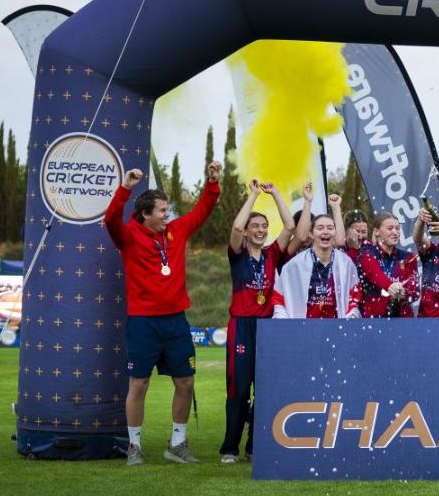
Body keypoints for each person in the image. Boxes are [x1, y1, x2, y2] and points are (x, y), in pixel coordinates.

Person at [103, 160, 222, 467]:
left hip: (176, 320)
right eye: (161, 210)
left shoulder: (176, 231)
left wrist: (212, 182)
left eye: (167, 210)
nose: (167, 215)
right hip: (143, 321)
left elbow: (201, 212)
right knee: (138, 385)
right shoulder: (128, 235)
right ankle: (134, 446)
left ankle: (178, 444)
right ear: (145, 214)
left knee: (186, 382)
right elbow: (110, 219)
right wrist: (125, 188)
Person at [218, 178, 296, 465]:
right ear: (248, 232)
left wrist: (275, 193)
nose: (261, 231)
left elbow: (290, 228)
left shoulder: (273, 255)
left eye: (264, 227)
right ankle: (229, 448)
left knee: (264, 389)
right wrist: (252, 196)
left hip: (267, 328)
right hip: (241, 326)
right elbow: (236, 227)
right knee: (238, 389)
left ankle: (253, 447)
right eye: (256, 227)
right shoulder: (237, 255)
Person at [272, 213, 362, 319]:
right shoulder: (295, 265)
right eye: (320, 228)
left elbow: (354, 299)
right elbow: (279, 299)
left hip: (337, 329)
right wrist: (282, 319)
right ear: (311, 233)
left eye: (330, 228)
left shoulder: (346, 264)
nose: (325, 231)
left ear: (335, 232)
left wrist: (350, 317)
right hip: (303, 329)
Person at [356, 212, 419, 317]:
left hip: (402, 320)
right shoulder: (367, 252)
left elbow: (414, 292)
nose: (395, 232)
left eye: (397, 228)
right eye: (390, 228)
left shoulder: (408, 257)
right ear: (376, 231)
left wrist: (403, 293)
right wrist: (391, 287)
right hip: (374, 321)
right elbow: (375, 274)